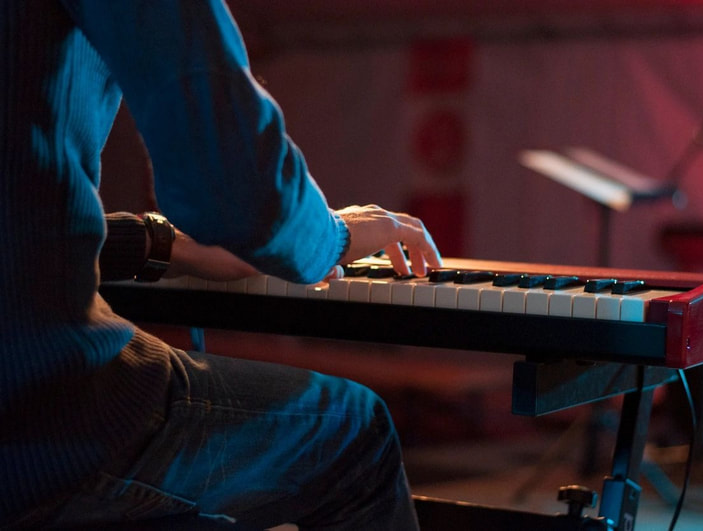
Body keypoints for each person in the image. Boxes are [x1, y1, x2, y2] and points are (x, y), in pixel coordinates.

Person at [0, 1, 442, 529]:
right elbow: (233, 196)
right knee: (354, 432)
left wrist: (152, 242)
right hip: (41, 420)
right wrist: (333, 237)